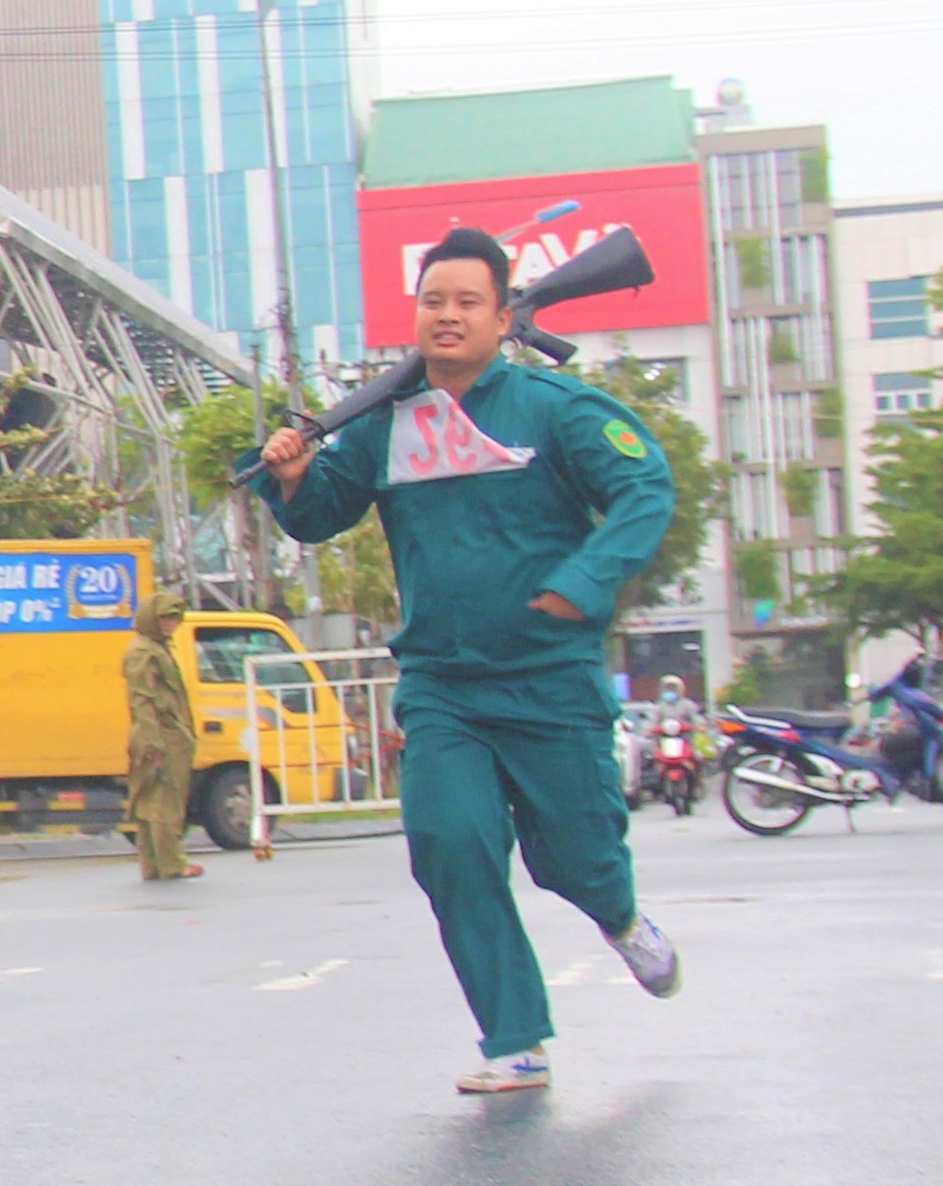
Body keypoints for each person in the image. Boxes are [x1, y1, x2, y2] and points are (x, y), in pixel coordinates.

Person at [257, 226, 684, 1098]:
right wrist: (295, 477)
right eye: (432, 302)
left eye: (466, 302)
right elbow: (320, 515)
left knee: (575, 858)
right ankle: (516, 1038)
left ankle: (622, 916)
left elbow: (648, 487)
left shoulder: (555, 410)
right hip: (443, 685)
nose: (446, 317)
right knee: (451, 842)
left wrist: (586, 579)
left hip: (550, 679)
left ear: (502, 316)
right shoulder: (387, 425)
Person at [123, 592, 203, 881]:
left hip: (160, 733)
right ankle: (172, 864)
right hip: (161, 735)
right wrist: (153, 742)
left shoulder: (154, 648)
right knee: (165, 802)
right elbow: (142, 701)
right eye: (165, 618)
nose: (171, 624)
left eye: (174, 618)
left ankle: (153, 865)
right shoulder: (145, 652)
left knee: (149, 802)